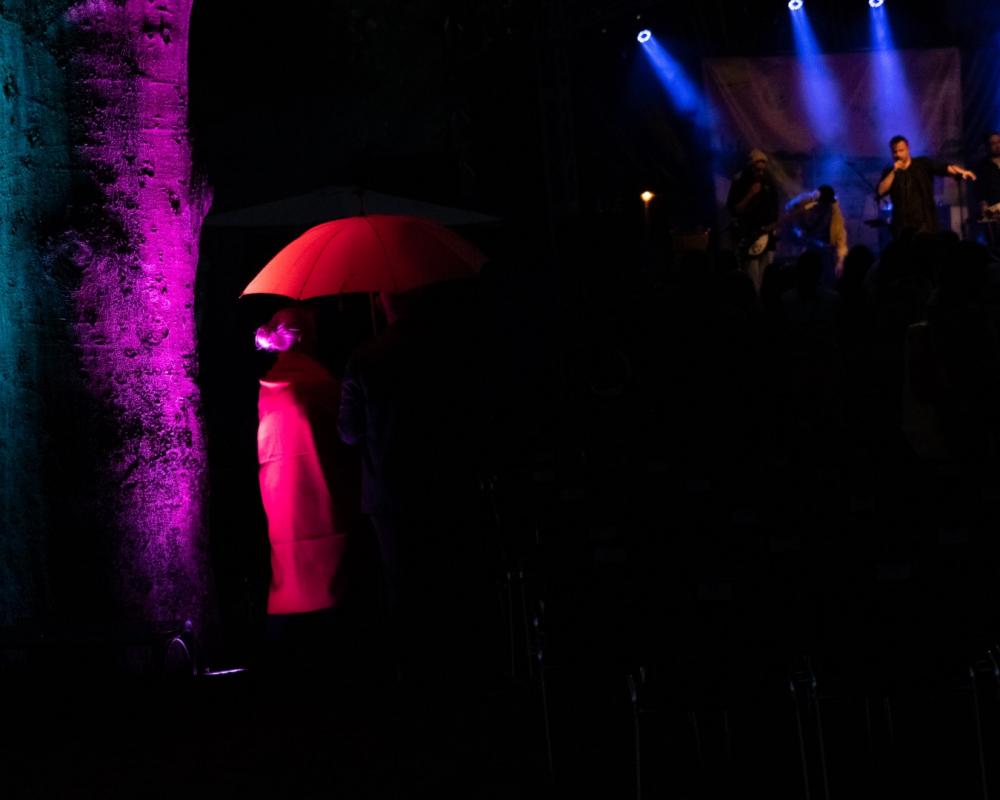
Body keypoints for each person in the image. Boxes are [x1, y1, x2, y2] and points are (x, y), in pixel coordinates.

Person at [337, 284, 491, 678]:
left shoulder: (364, 358)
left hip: (388, 493)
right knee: (444, 576)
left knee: (401, 584)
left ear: (381, 302)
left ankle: (412, 671)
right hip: (442, 483)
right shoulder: (446, 351)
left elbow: (349, 432)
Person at [255, 305, 364, 672]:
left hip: (282, 510)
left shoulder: (267, 390)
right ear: (308, 338)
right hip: (324, 505)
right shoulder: (321, 385)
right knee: (335, 600)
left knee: (288, 590)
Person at [876, 134, 976, 239]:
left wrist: (961, 172)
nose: (898, 154)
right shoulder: (889, 171)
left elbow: (944, 168)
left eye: (901, 150)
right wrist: (894, 172)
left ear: (908, 149)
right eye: (894, 152)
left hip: (925, 223)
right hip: (901, 226)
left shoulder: (922, 164)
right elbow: (880, 191)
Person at [727, 148, 780, 295]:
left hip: (767, 237)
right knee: (752, 277)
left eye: (763, 170)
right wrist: (750, 194)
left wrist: (774, 227)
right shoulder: (739, 182)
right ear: (750, 167)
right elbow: (734, 209)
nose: (760, 173)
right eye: (757, 170)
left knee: (766, 276)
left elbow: (774, 210)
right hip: (748, 235)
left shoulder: (769, 184)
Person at [786, 184, 849, 283]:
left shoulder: (833, 210)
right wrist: (810, 197)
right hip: (807, 245)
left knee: (827, 277)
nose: (826, 206)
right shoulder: (808, 204)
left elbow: (840, 233)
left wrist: (840, 261)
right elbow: (789, 208)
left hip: (825, 249)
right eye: (824, 203)